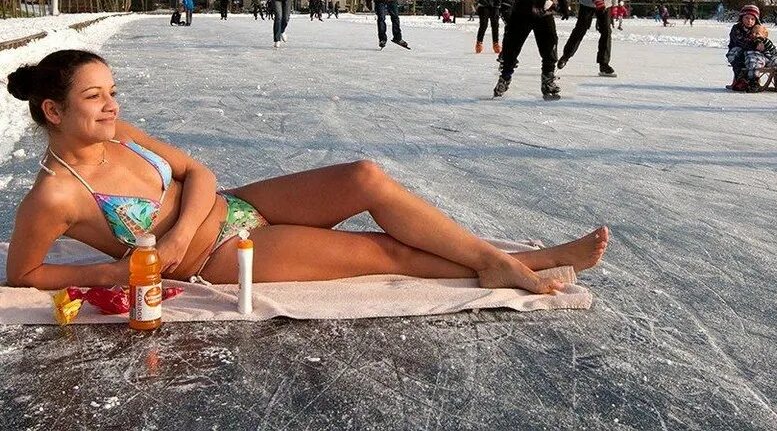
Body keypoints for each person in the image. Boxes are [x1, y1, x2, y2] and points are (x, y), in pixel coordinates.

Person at [4, 50, 609, 293]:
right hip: (223, 256)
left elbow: (200, 173)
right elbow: (23, 273)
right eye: (93, 97)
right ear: (54, 110)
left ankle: (498, 261)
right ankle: (509, 264)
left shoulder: (122, 135)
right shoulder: (55, 195)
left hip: (234, 208)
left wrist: (180, 228)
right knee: (378, 251)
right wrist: (116, 271)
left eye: (112, 90)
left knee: (365, 176)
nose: (111, 104)